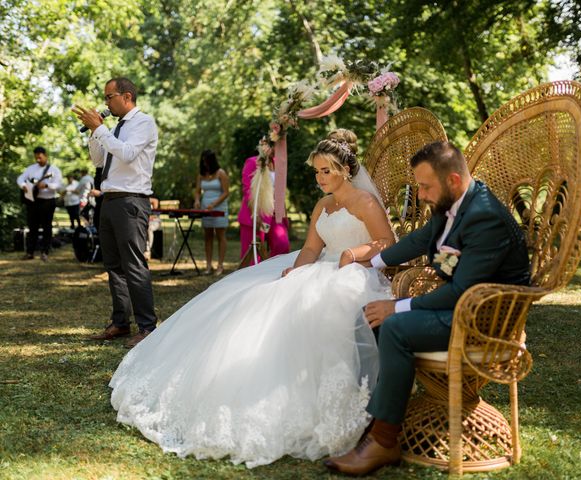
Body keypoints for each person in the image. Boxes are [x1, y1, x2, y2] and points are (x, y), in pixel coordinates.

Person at [109, 130, 395, 467]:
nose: (319, 178)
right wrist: (297, 270)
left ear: (345, 169)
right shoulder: (322, 205)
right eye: (316, 171)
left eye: (326, 171)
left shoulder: (366, 202)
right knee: (261, 298)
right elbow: (312, 248)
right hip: (320, 267)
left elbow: (387, 242)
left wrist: (353, 253)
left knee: (316, 309)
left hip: (353, 272)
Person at [324, 141, 531, 476]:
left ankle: (382, 441)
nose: (419, 195)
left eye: (424, 186)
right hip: (460, 306)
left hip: (485, 319)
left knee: (393, 324)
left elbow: (462, 291)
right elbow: (420, 240)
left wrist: (399, 306)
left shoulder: (485, 218)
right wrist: (370, 262)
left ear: (452, 180)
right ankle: (384, 422)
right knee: (377, 317)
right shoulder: (455, 203)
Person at [72, 77, 158, 349]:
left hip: (131, 201)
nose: (106, 102)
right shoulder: (115, 128)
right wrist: (93, 132)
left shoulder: (143, 123)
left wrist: (100, 129)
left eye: (110, 97)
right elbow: (99, 161)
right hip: (109, 201)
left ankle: (147, 327)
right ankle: (121, 322)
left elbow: (128, 154)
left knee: (133, 265)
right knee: (113, 265)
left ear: (127, 96)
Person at [238, 142, 289, 264]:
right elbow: (247, 191)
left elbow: (281, 190)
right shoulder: (252, 162)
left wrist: (284, 212)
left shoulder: (279, 163)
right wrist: (255, 215)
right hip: (255, 214)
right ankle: (250, 281)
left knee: (282, 245)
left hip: (275, 214)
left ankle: (272, 275)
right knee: (252, 255)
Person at [16, 146, 63, 261]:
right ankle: (30, 252)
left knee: (47, 227)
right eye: (36, 157)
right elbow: (20, 179)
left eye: (40, 157)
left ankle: (45, 252)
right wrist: (24, 186)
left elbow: (59, 185)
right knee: (32, 227)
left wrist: (47, 185)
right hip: (33, 201)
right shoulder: (31, 169)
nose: (38, 159)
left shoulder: (54, 170)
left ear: (45, 156)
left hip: (48, 201)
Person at [193, 150, 229, 275]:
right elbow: (197, 191)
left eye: (206, 160)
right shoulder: (201, 175)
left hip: (219, 207)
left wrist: (214, 204)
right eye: (203, 160)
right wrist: (197, 200)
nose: (204, 163)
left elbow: (226, 192)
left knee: (220, 235)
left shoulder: (221, 173)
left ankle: (220, 265)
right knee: (208, 236)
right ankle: (208, 265)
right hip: (205, 208)